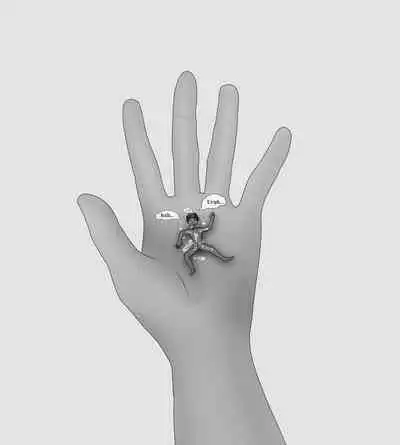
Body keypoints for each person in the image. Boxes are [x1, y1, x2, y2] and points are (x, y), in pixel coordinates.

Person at [77, 70, 292, 445]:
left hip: (199, 250)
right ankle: (205, 270)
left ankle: (211, 268)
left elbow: (205, 224)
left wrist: (206, 338)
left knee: (211, 251)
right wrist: (205, 339)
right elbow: (192, 234)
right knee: (199, 255)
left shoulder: (197, 226)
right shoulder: (189, 233)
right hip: (192, 252)